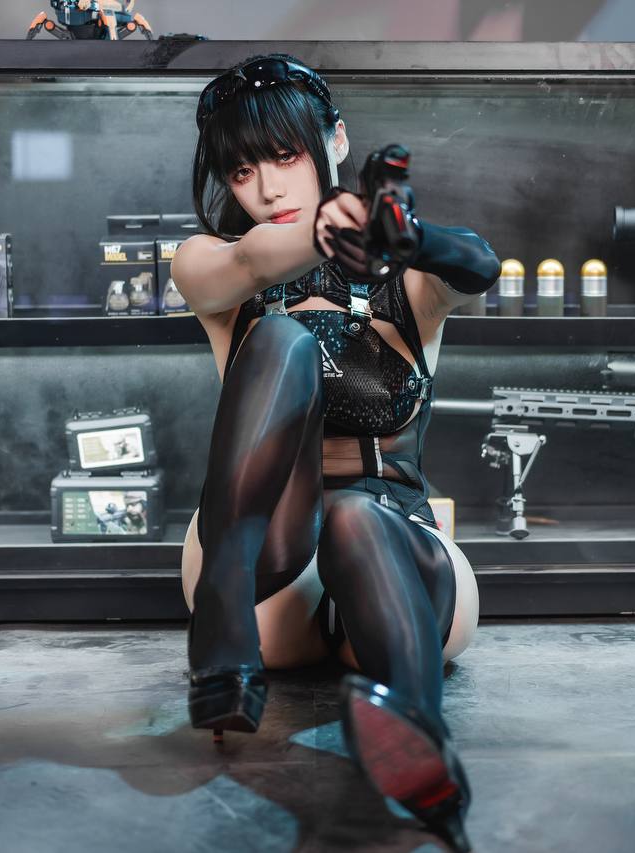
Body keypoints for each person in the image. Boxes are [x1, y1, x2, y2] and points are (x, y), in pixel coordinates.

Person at [172, 54, 499, 852]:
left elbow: (479, 265)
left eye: (285, 155)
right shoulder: (209, 264)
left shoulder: (408, 283)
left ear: (336, 141)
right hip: (263, 575)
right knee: (280, 338)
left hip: (390, 546)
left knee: (356, 515)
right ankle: (221, 614)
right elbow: (249, 259)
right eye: (241, 170)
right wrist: (324, 230)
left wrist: (412, 239)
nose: (266, 188)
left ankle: (420, 743)